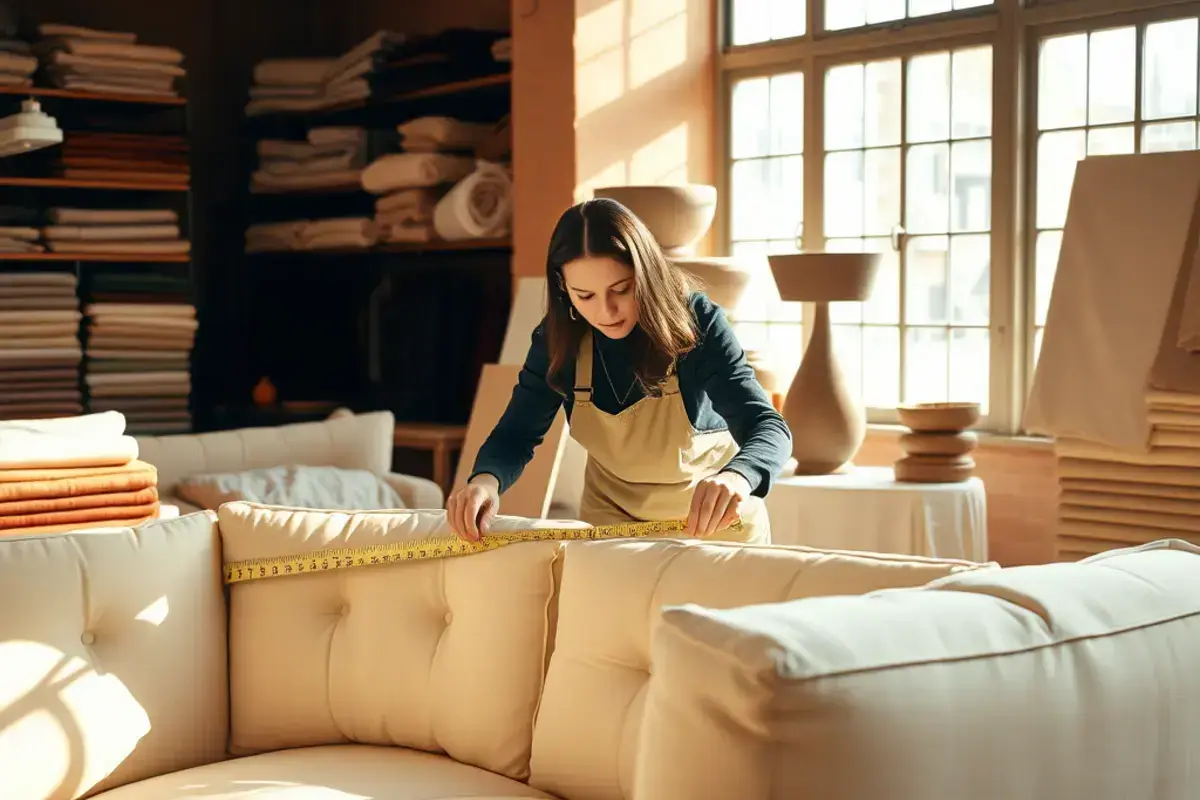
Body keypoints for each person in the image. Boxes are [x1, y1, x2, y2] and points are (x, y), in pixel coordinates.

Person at [446, 197, 792, 544]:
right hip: (612, 520)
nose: (606, 311)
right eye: (585, 295)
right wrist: (485, 481)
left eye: (622, 290)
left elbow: (769, 427)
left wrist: (737, 476)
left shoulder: (698, 323)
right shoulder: (558, 339)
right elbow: (516, 433)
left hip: (714, 522)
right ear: (563, 288)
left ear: (647, 274)